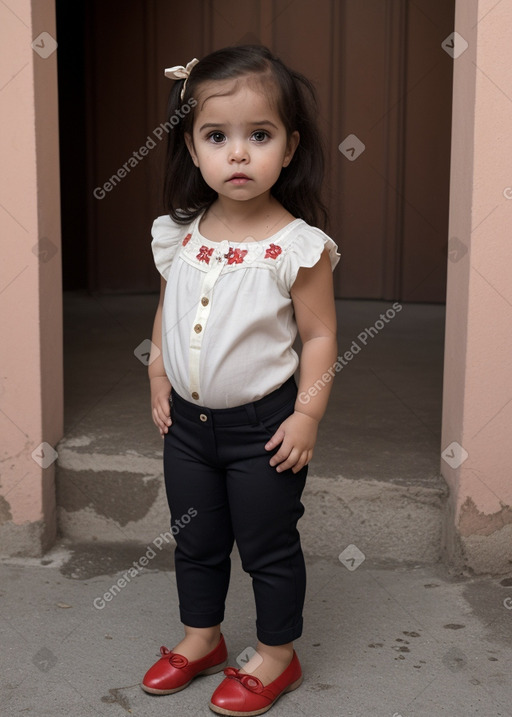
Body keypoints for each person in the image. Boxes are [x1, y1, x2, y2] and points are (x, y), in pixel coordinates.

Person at [141, 44, 340, 716]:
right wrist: (158, 370)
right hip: (189, 430)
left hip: (264, 428)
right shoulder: (182, 234)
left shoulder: (295, 246)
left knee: (266, 543)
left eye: (259, 135)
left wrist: (306, 415)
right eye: (216, 136)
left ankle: (278, 653)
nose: (237, 154)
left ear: (289, 148)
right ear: (192, 148)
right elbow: (172, 304)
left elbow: (318, 336)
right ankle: (202, 637)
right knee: (194, 537)